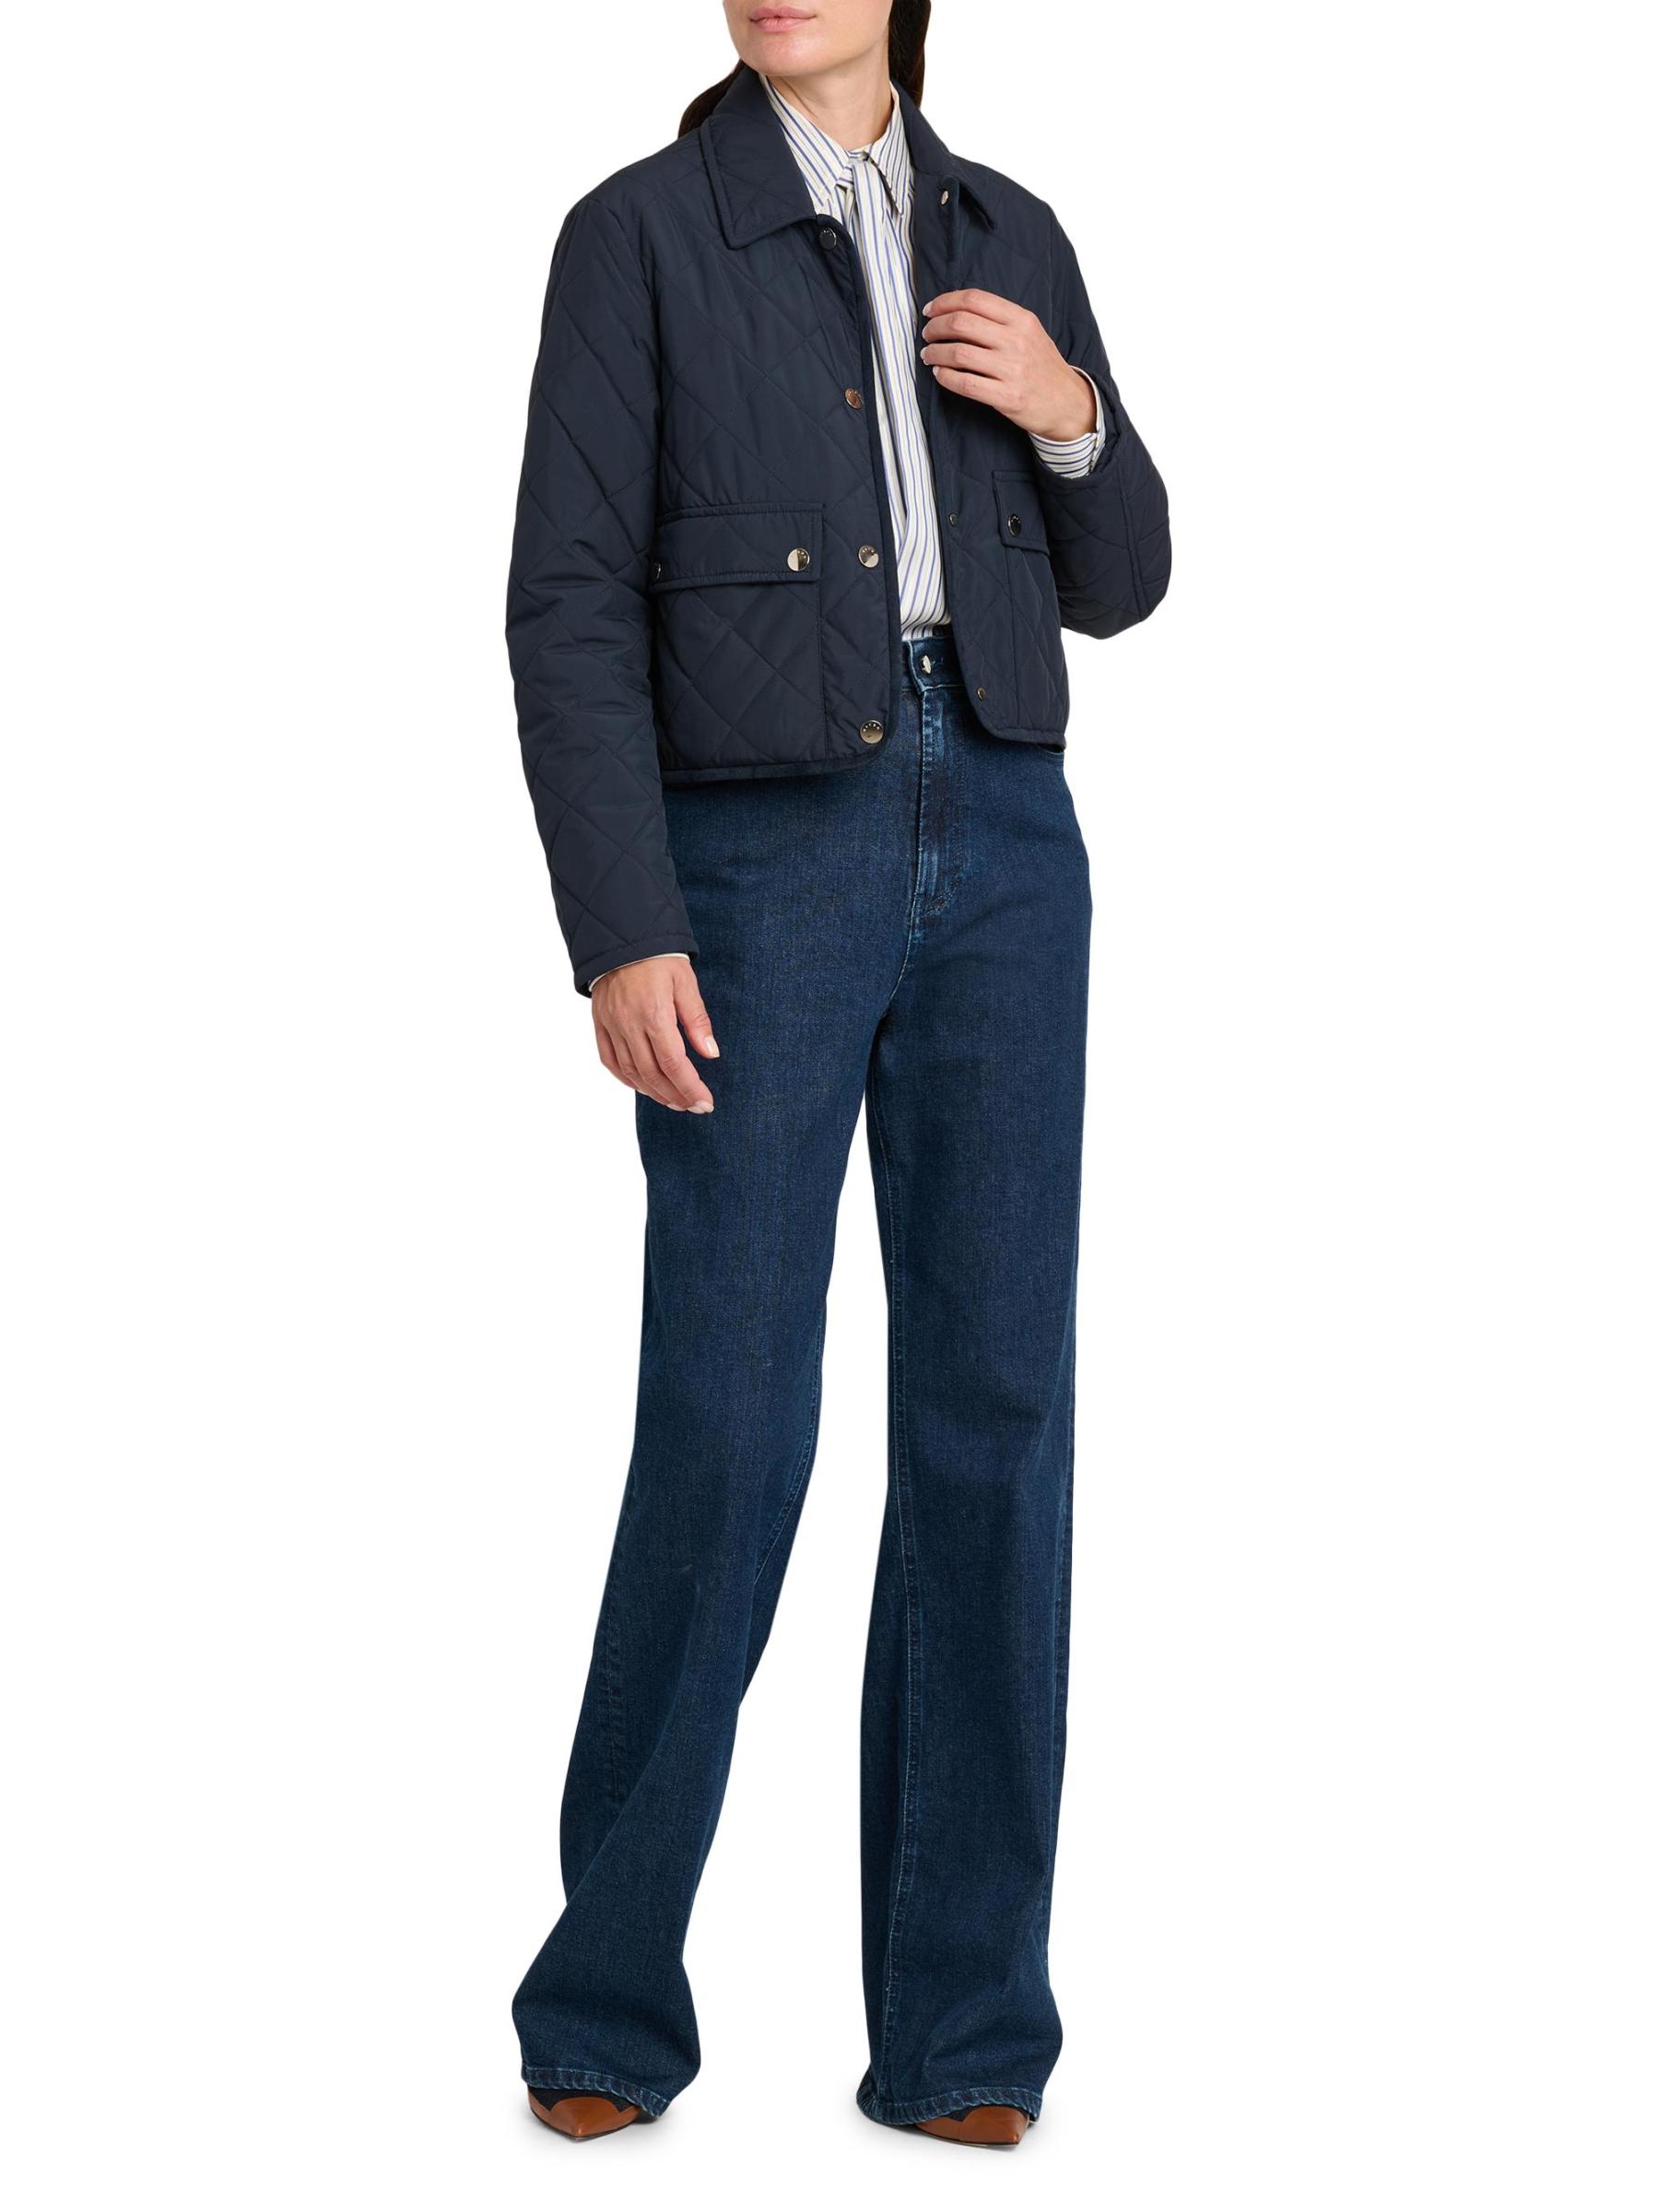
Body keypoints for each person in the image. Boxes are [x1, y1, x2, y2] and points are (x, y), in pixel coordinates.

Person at [504, 0, 1170, 2148]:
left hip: (1010, 845)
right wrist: (621, 919)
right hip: (756, 862)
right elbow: (567, 603)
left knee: (997, 1420)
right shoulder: (639, 235)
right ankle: (606, 2003)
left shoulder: (1012, 230)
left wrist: (1074, 416)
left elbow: (1128, 578)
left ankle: (965, 2034)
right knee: (728, 1420)